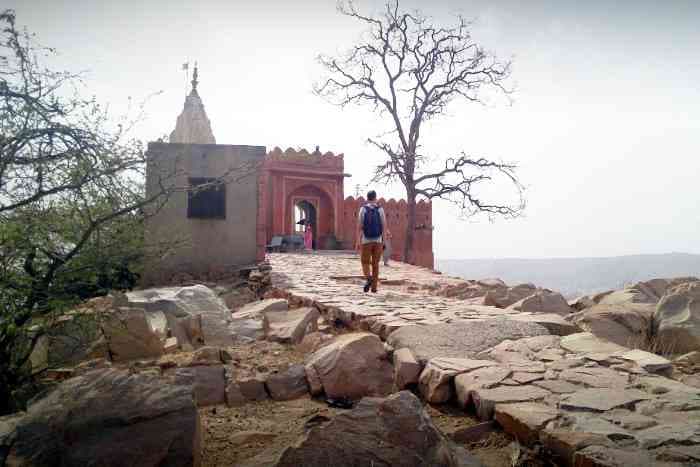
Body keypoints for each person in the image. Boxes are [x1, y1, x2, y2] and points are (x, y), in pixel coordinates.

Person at [356, 190, 388, 293]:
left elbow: (360, 226)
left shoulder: (363, 209)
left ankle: (368, 278)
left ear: (367, 198)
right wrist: (384, 241)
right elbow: (384, 226)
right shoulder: (380, 210)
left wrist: (357, 241)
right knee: (375, 264)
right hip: (378, 240)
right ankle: (374, 288)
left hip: (366, 240)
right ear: (375, 198)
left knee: (365, 262)